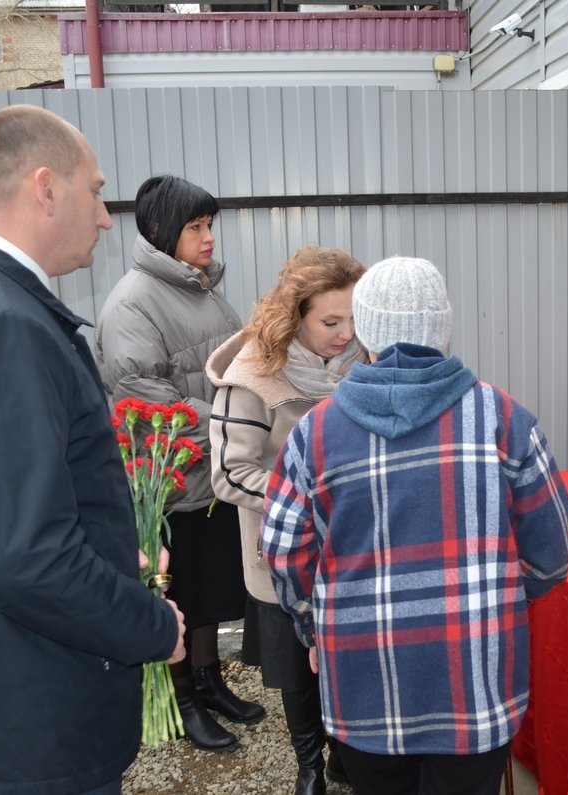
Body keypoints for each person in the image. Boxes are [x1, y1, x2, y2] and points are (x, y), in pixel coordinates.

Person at [0, 105, 185, 794]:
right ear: (45, 187)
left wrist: (112, 549)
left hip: (1, 710)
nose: (107, 218)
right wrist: (151, 623)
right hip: (26, 729)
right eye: (96, 191)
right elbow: (25, 556)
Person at [260, 256, 568, 795]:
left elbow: (285, 553)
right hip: (475, 690)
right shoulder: (505, 421)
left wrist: (312, 626)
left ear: (365, 329)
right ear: (443, 325)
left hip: (363, 693)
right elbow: (552, 554)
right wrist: (493, 596)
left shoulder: (313, 434)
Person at [96, 174, 264, 753]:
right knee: (180, 591)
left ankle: (212, 681)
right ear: (163, 231)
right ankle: (184, 697)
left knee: (212, 590)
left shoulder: (203, 287)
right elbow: (141, 394)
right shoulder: (132, 304)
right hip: (172, 478)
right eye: (196, 227)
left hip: (210, 473)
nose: (209, 237)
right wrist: (225, 421)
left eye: (210, 225)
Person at [207, 246, 366, 794]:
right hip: (281, 551)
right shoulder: (252, 377)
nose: (346, 334)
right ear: (294, 316)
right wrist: (305, 498)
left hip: (350, 551)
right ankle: (309, 766)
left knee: (348, 661)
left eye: (354, 318)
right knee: (298, 674)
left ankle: (347, 755)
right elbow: (228, 473)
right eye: (330, 322)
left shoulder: (364, 364)